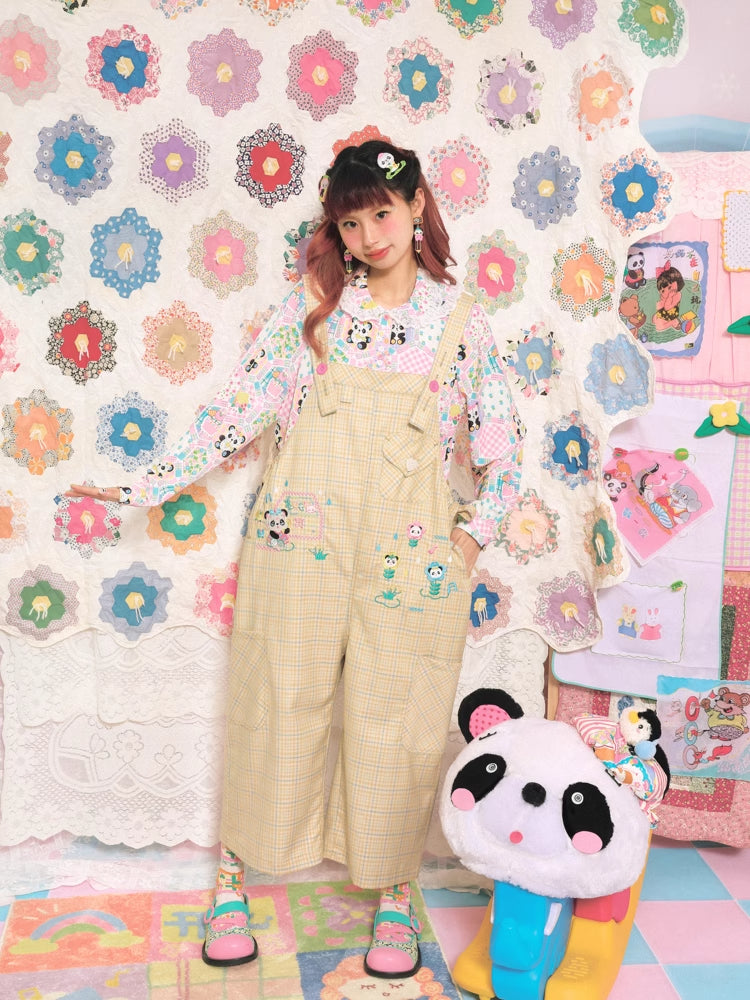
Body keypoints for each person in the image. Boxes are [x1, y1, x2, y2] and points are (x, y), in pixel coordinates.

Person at [69, 140, 523, 977]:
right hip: (301, 541)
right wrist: (146, 484)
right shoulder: (313, 310)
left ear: (417, 206)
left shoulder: (461, 324)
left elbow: (504, 450)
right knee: (277, 697)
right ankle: (232, 881)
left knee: (399, 716)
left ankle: (393, 894)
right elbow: (235, 412)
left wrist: (466, 543)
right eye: (350, 223)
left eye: (382, 212)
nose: (369, 235)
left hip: (414, 556)